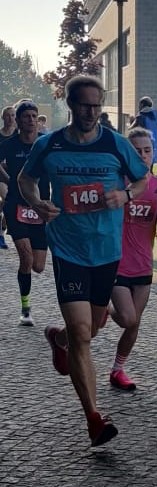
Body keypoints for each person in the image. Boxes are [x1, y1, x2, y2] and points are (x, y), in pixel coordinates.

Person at [19, 75, 149, 446]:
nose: (91, 112)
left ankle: (57, 339)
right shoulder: (49, 144)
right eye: (84, 105)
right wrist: (36, 202)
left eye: (96, 105)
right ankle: (94, 417)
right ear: (71, 105)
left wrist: (125, 195)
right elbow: (26, 180)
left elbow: (142, 180)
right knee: (81, 333)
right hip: (67, 248)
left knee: (90, 328)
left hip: (106, 251)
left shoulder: (115, 144)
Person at [107, 127, 157, 391]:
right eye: (137, 151)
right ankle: (105, 311)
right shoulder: (116, 184)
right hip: (116, 262)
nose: (143, 156)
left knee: (134, 323)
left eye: (147, 151)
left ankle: (117, 370)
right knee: (127, 318)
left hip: (144, 265)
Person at [1, 101, 47, 325]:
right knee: (26, 257)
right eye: (26, 116)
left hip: (40, 207)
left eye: (34, 116)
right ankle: (26, 309)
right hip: (15, 205)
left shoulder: (45, 144)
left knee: (38, 266)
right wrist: (8, 179)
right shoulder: (9, 145)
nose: (31, 120)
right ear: (18, 121)